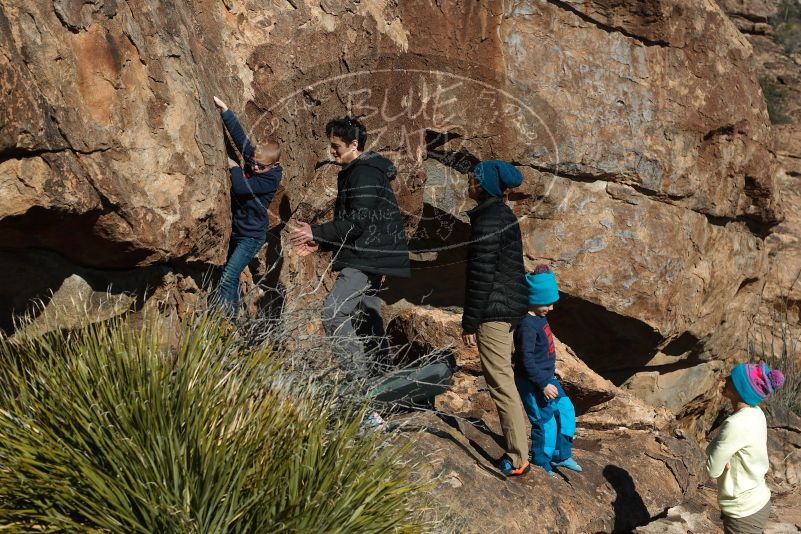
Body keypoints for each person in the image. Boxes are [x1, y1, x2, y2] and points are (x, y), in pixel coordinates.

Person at [289, 116, 410, 380]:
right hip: (373, 253)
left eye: (336, 146)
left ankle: (359, 383)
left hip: (367, 256)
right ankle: (382, 377)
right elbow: (356, 221)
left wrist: (316, 232)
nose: (331, 151)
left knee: (333, 311)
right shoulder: (361, 170)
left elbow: (357, 221)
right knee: (367, 317)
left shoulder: (363, 172)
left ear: (354, 144)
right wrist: (319, 242)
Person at [460, 159, 530, 477]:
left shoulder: (488, 219)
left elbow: (481, 275)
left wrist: (470, 321)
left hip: (494, 312)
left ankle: (518, 457)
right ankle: (522, 450)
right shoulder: (503, 214)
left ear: (484, 185)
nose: (467, 183)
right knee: (506, 380)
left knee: (501, 383)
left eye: (473, 179)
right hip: (509, 309)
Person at [212, 96, 282, 312]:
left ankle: (221, 322)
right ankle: (231, 320)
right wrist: (226, 111)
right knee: (230, 278)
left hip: (251, 237)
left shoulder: (271, 178)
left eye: (260, 166)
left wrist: (234, 167)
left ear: (274, 165)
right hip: (238, 230)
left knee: (227, 277)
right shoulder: (256, 162)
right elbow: (241, 141)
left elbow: (242, 188)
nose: (254, 168)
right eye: (252, 163)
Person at [514, 265, 582, 477]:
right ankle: (542, 462)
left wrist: (552, 368)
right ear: (533, 299)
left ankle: (561, 455)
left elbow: (541, 352)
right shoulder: (526, 325)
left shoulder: (540, 317)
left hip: (547, 377)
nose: (551, 308)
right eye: (547, 303)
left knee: (566, 410)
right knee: (546, 422)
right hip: (534, 383)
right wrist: (543, 383)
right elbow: (525, 360)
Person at [706, 362, 785, 534]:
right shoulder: (756, 413)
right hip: (758, 500)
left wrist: (720, 455)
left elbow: (712, 470)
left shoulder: (735, 424)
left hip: (742, 512)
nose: (726, 379)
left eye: (732, 378)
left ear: (741, 389)